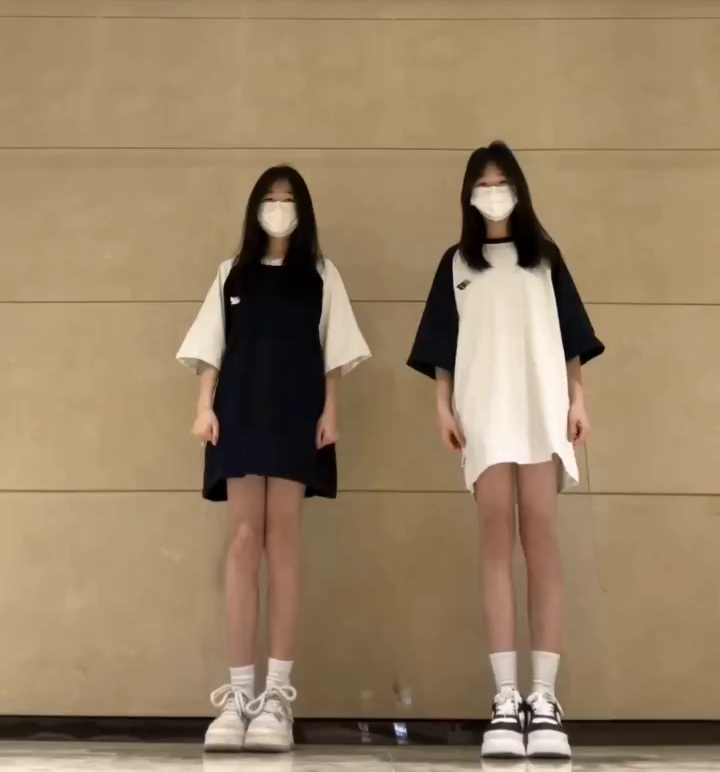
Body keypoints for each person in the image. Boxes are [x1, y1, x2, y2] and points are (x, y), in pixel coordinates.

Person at [408, 142, 604, 760]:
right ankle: (505, 697)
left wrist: (577, 399)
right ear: (469, 195)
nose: (493, 193)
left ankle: (544, 698)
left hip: (542, 408)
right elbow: (442, 345)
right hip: (485, 413)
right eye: (483, 184)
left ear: (518, 189)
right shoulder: (457, 264)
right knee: (495, 540)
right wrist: (443, 406)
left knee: (541, 539)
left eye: (502, 182)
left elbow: (571, 339)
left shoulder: (545, 259)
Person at [177, 165, 370, 753]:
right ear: (255, 207)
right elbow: (211, 349)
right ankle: (238, 696)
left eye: (288, 199)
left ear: (302, 210)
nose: (278, 207)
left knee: (283, 539)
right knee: (243, 540)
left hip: (296, 413)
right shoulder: (231, 273)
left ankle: (277, 698)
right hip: (238, 412)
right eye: (270, 197)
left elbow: (334, 352)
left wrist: (330, 411)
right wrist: (204, 407)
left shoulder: (321, 275)